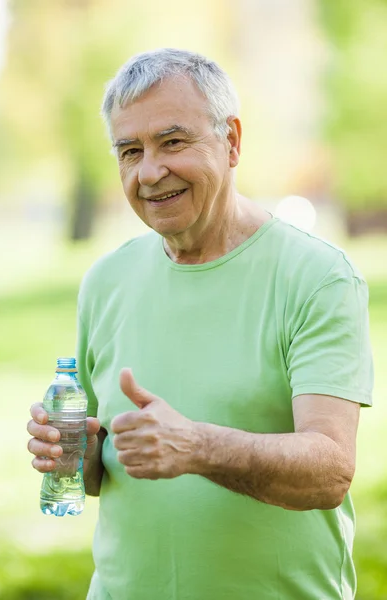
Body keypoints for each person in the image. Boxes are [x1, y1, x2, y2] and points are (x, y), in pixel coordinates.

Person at [27, 48, 373, 600]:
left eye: (173, 142)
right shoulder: (106, 280)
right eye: (130, 151)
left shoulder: (318, 277)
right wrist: (72, 451)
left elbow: (329, 470)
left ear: (231, 141)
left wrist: (196, 446)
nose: (150, 172)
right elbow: (98, 471)